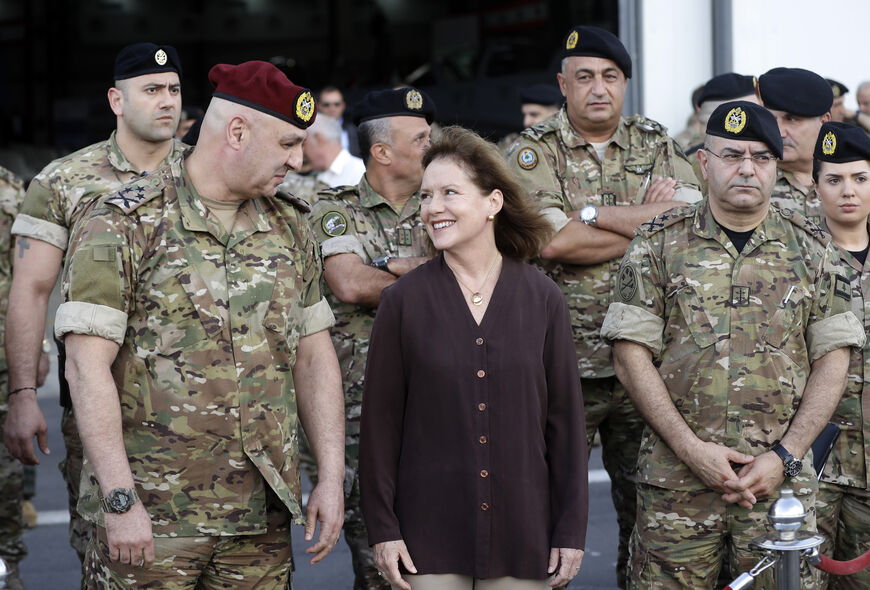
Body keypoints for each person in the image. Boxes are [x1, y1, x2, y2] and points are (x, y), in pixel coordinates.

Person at [55, 60, 345, 588]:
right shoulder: (121, 220)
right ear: (237, 131)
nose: (297, 160)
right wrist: (120, 500)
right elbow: (84, 366)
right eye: (286, 144)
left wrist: (330, 475)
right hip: (152, 520)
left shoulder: (290, 223)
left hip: (260, 519)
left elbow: (313, 353)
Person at [601, 101, 865, 588]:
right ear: (704, 162)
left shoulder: (813, 247)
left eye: (761, 157)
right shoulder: (657, 244)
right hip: (676, 485)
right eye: (731, 155)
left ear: (776, 165)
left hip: (779, 489)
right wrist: (691, 449)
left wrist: (784, 456)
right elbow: (628, 355)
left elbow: (835, 358)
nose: (747, 168)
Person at [506, 25, 702, 588]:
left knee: (650, 514)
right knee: (542, 510)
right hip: (558, 363)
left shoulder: (657, 142)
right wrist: (643, 219)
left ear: (625, 85)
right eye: (585, 77)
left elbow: (691, 222)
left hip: (646, 364)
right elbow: (551, 243)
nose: (598, 89)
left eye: (611, 77)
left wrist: (587, 213)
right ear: (562, 85)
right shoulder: (528, 152)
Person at [360, 126, 588, 590]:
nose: (433, 208)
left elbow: (566, 425)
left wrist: (570, 530)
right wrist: (384, 530)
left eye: (449, 193)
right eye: (425, 197)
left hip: (524, 531)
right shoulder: (402, 302)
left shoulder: (543, 298)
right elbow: (379, 430)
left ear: (493, 203)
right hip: (429, 531)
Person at [3, 42, 187, 577]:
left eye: (174, 90)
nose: (167, 102)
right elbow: (31, 290)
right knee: (110, 557)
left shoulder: (207, 175)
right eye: (152, 90)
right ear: (116, 99)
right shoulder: (64, 181)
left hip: (206, 418)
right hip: (101, 412)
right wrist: (21, 395)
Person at [307, 87, 435, 590]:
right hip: (365, 409)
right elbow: (350, 283)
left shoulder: (446, 202)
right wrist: (436, 274)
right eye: (421, 137)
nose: (434, 145)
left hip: (446, 405)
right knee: (382, 564)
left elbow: (485, 274)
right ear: (382, 151)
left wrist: (391, 267)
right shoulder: (335, 208)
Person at [812, 121, 870, 590]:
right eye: (834, 179)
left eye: (860, 178)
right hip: (814, 463)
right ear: (816, 186)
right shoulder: (795, 255)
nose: (847, 191)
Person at [758, 67, 832, 223]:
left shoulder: (851, 179)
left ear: (824, 123)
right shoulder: (751, 180)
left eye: (791, 119)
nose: (779, 132)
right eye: (771, 119)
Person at [303, 114, 366, 188]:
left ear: (318, 139)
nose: (302, 151)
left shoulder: (361, 172)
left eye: (303, 143)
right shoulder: (317, 174)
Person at [498, 84, 563, 153]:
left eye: (534, 114)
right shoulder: (512, 146)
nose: (526, 122)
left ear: (554, 115)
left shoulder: (571, 146)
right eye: (525, 115)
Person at [319, 85, 361, 157]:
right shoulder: (311, 132)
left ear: (343, 105)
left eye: (336, 104)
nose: (332, 108)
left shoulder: (355, 131)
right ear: (319, 106)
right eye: (326, 105)